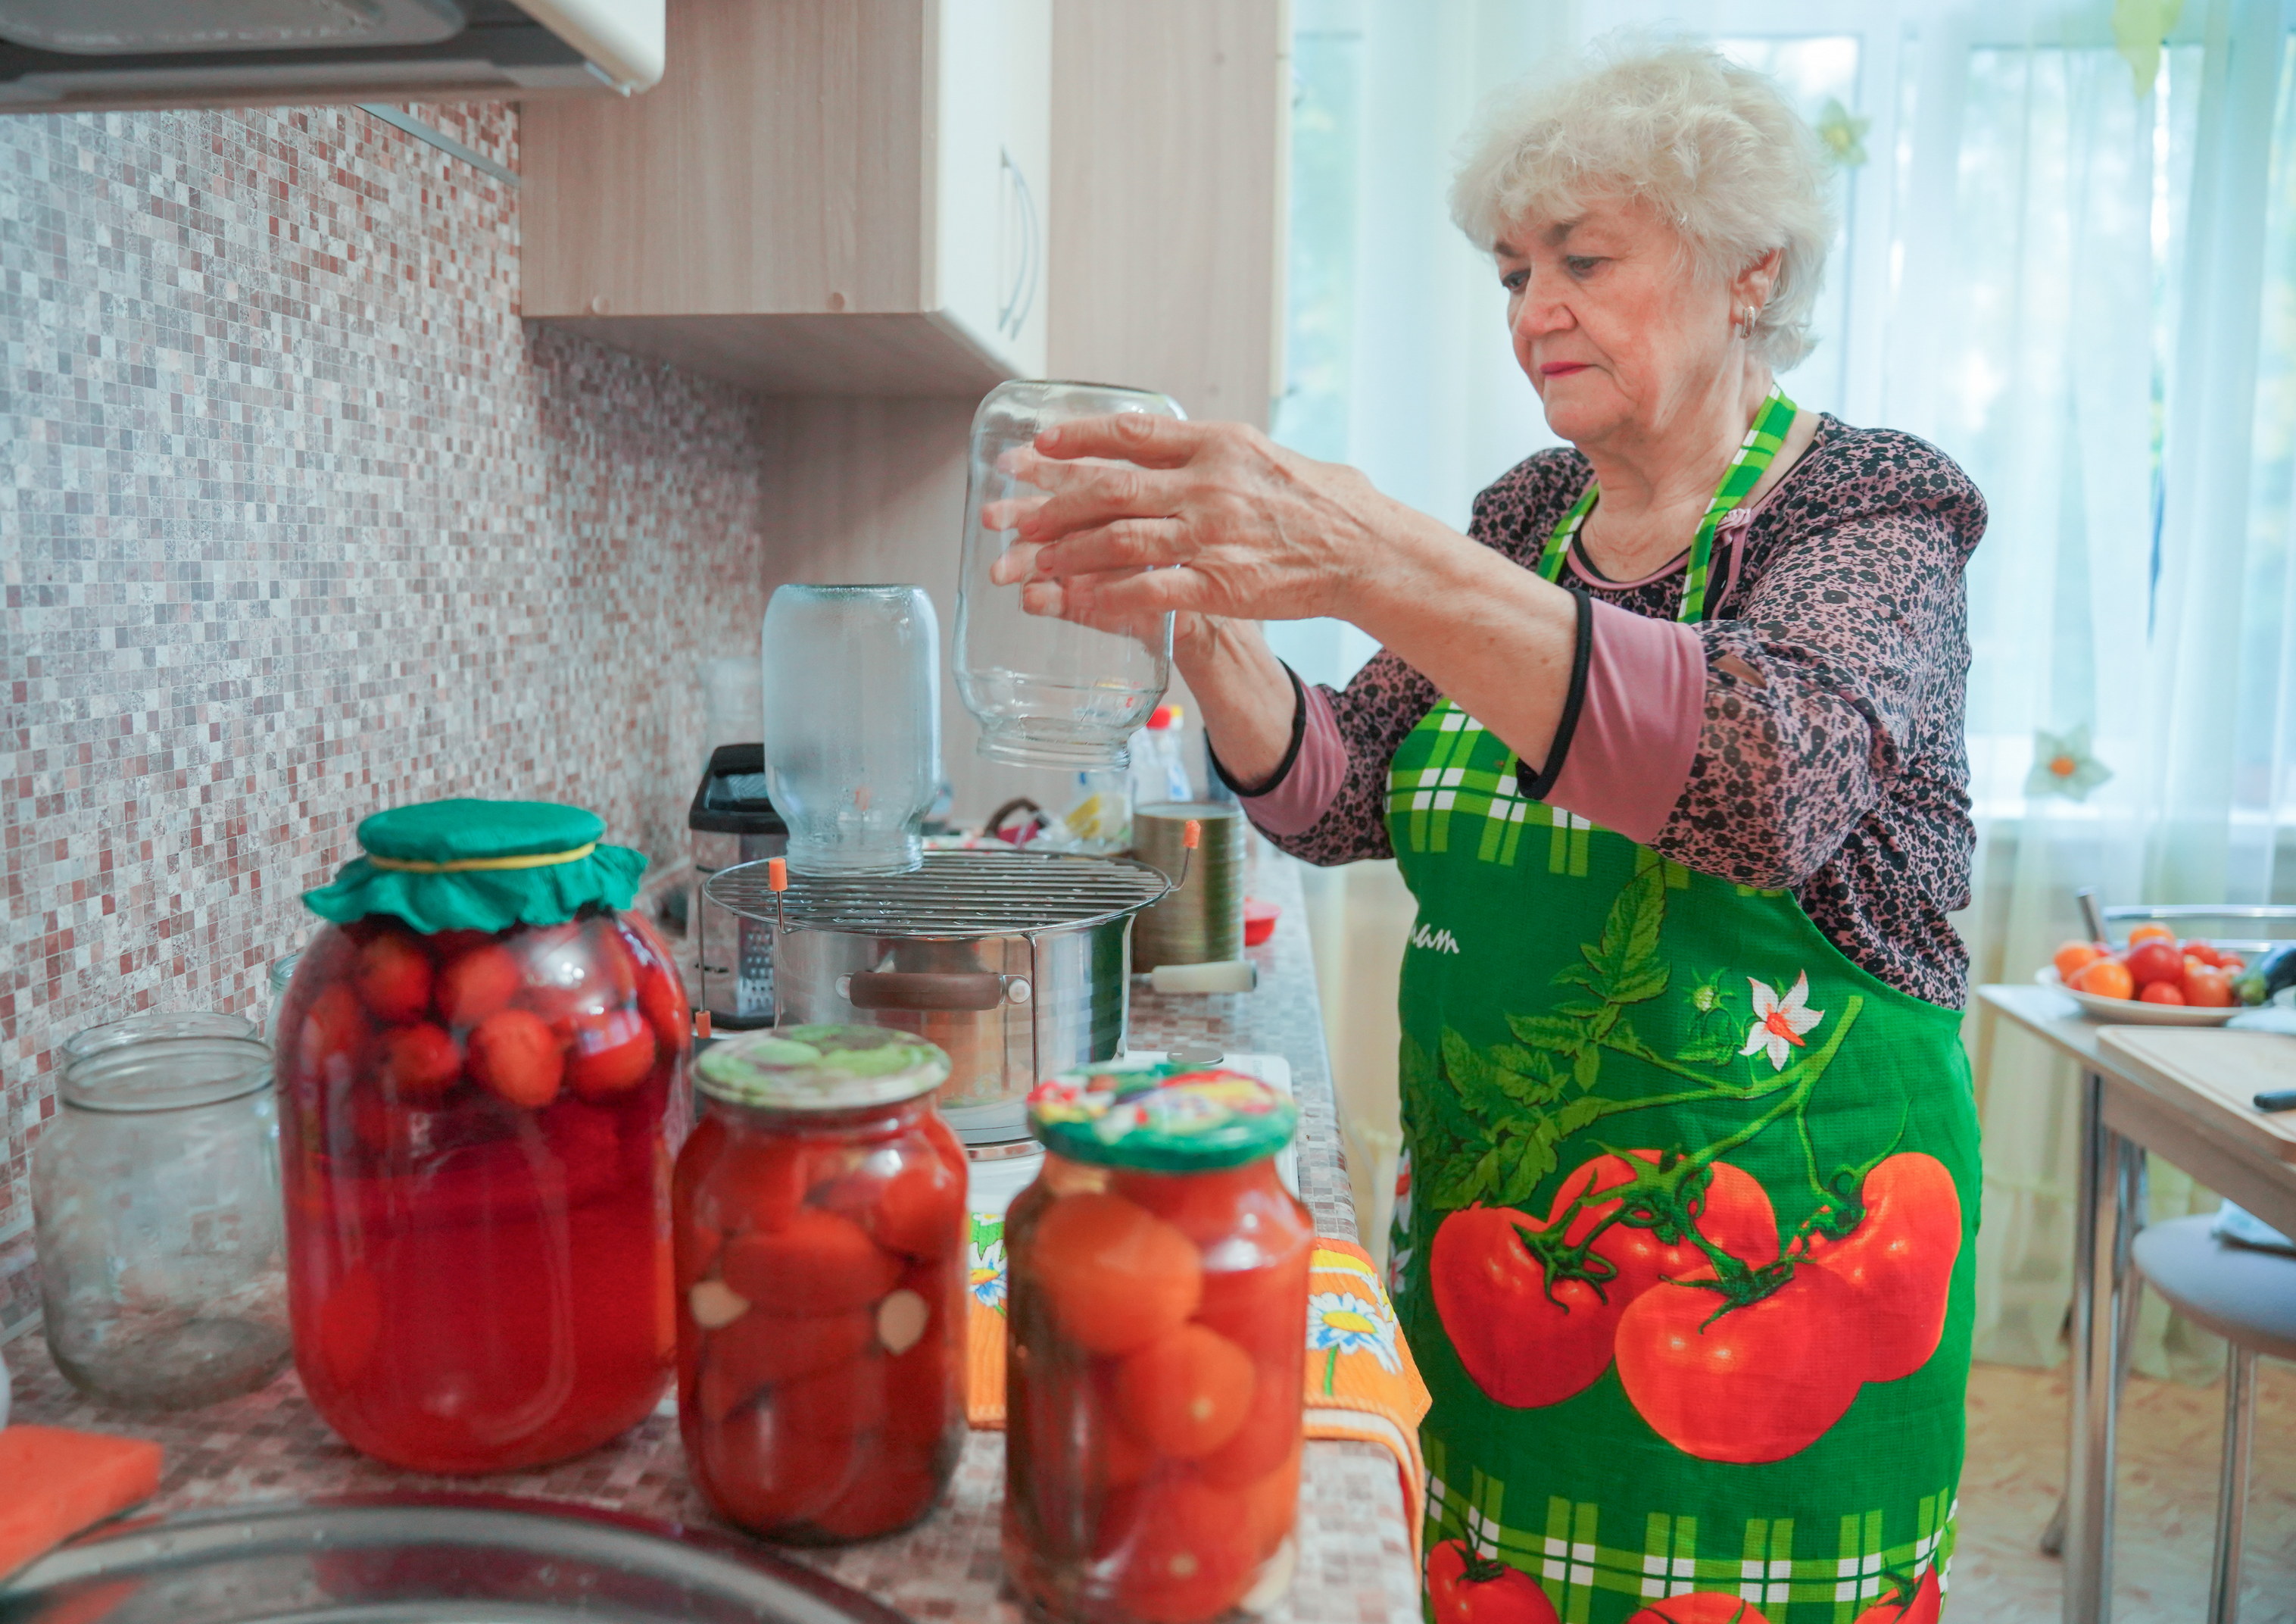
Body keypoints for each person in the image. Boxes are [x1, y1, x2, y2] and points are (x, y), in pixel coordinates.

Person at [987, 39, 1983, 1624]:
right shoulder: (1529, 519)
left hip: (1781, 1305)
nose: (1531, 311)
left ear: (1749, 272)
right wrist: (1195, 615)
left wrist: (1366, 554)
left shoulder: (1865, 512)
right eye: (1514, 271)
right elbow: (1342, 794)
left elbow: (1766, 778)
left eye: (1583, 261)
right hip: (1505, 1274)